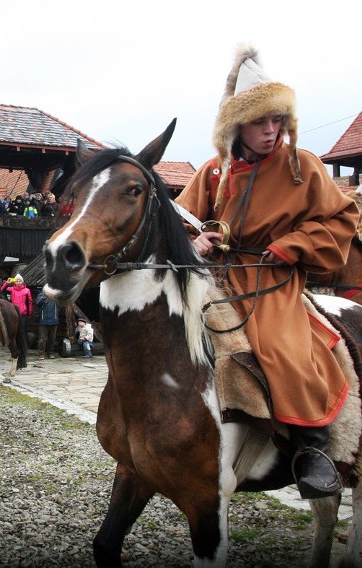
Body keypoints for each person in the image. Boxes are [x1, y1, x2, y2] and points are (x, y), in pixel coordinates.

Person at [174, 45, 359, 500]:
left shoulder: (303, 166)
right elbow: (178, 220)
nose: (272, 130)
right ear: (238, 125)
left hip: (271, 280)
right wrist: (194, 242)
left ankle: (312, 450)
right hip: (215, 276)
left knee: (281, 346)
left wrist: (293, 245)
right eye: (262, 122)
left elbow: (340, 220)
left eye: (278, 120)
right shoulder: (213, 172)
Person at [1, 274, 32, 349]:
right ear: (15, 282)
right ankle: (15, 346)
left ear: (22, 282)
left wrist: (29, 313)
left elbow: (29, 302)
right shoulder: (11, 289)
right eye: (17, 281)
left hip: (23, 313)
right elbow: (2, 290)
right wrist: (7, 283)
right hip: (14, 313)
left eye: (20, 281)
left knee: (22, 330)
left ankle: (24, 346)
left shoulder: (26, 290)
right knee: (14, 330)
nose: (18, 282)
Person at [35, 291, 59, 360]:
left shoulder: (56, 296)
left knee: (52, 338)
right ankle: (41, 354)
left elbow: (62, 303)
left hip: (54, 320)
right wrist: (45, 296)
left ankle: (50, 353)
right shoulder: (41, 295)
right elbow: (38, 303)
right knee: (42, 339)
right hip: (43, 321)